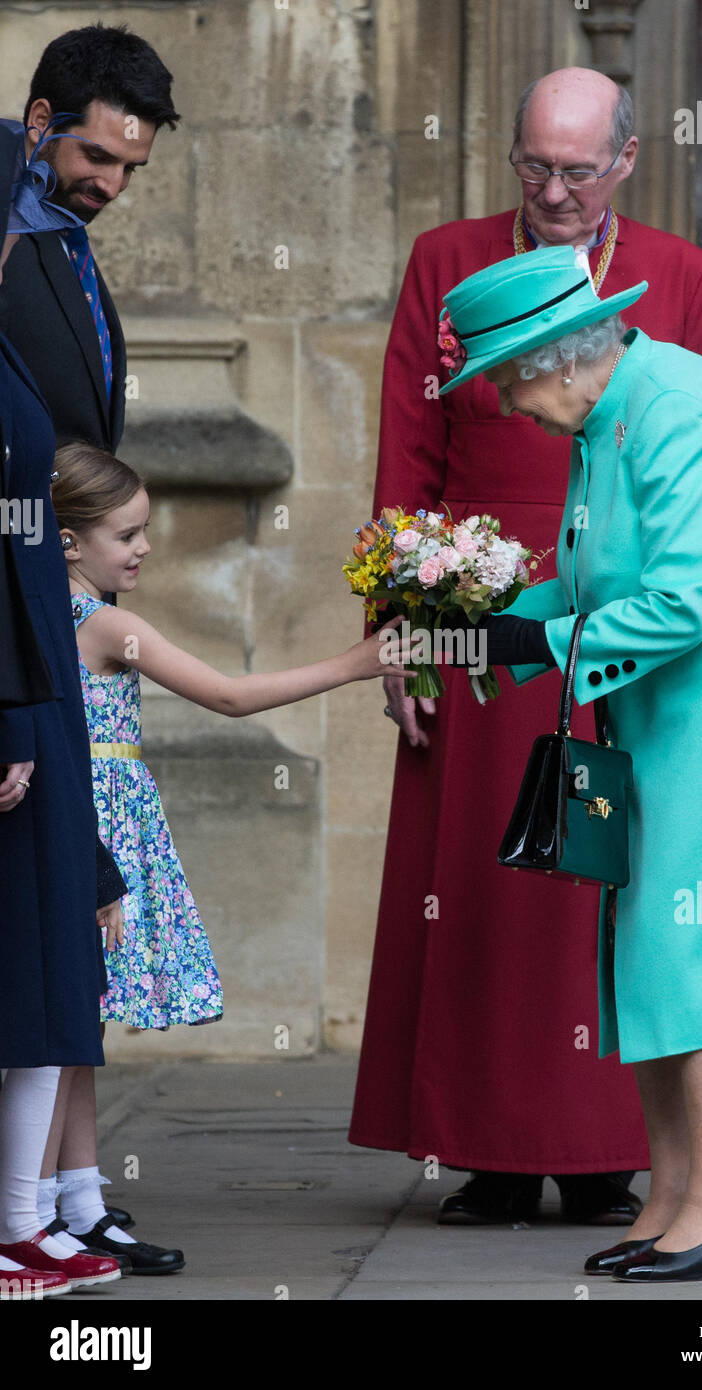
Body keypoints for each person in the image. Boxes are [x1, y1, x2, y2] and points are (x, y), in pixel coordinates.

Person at [434, 242, 702, 1281]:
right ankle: (671, 1197)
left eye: (502, 378)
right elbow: (589, 589)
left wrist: (532, 643)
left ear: (555, 356)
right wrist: (478, 620)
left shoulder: (679, 408)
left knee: (700, 949)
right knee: (647, 949)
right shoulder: (606, 417)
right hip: (668, 721)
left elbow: (679, 600)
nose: (500, 402)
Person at [350, 66, 702, 1226]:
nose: (552, 191)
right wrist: (399, 634)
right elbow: (407, 452)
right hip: (481, 621)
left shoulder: (682, 274)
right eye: (532, 167)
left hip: (620, 624)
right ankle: (492, 1152)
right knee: (482, 892)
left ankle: (612, 1151)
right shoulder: (442, 259)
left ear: (622, 161)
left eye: (575, 170)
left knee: (604, 888)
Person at [37, 440, 412, 1271]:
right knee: (67, 1029)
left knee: (76, 1027)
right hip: (98, 833)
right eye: (126, 534)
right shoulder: (105, 624)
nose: (143, 548)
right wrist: (355, 664)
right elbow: (230, 696)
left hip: (86, 826)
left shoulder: (42, 618)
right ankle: (35, 1216)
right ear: (68, 540)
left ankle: (81, 1202)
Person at [0, 120, 124, 1297]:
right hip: (16, 689)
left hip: (39, 679)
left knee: (48, 970)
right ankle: (23, 1221)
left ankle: (37, 1218)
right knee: (31, 968)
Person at [0, 22, 180, 452]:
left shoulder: (63, 222)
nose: (113, 186)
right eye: (97, 156)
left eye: (130, 168)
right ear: (41, 121)